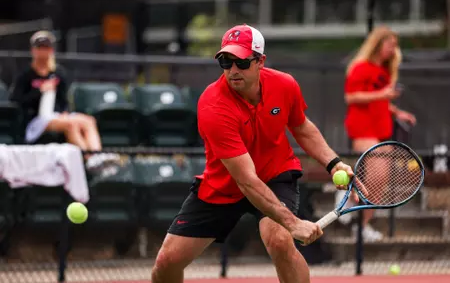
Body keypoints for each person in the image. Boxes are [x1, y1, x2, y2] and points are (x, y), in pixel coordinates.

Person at [151, 24, 357, 283]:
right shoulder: (213, 105)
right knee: (166, 262)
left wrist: (334, 163)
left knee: (280, 241)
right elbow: (246, 180)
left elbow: (301, 127)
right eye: (226, 62)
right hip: (226, 184)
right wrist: (294, 223)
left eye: (242, 62)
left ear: (260, 61)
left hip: (275, 173)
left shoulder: (284, 85)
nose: (233, 70)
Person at [340, 25, 416, 241]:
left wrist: (397, 112)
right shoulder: (360, 67)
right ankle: (346, 194)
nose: (393, 50)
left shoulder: (384, 71)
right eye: (389, 44)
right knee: (377, 174)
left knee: (380, 179)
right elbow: (351, 97)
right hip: (362, 127)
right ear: (378, 43)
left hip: (380, 128)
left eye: (395, 46)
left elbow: (381, 101)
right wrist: (382, 94)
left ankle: (361, 223)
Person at [9, 30, 119, 171]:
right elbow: (17, 100)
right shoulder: (25, 75)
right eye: (40, 47)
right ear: (33, 50)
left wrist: (65, 112)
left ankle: (97, 155)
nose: (43, 51)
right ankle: (89, 158)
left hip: (57, 116)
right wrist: (39, 91)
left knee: (88, 120)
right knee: (71, 124)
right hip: (36, 120)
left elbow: (63, 100)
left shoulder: (59, 73)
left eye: (46, 47)